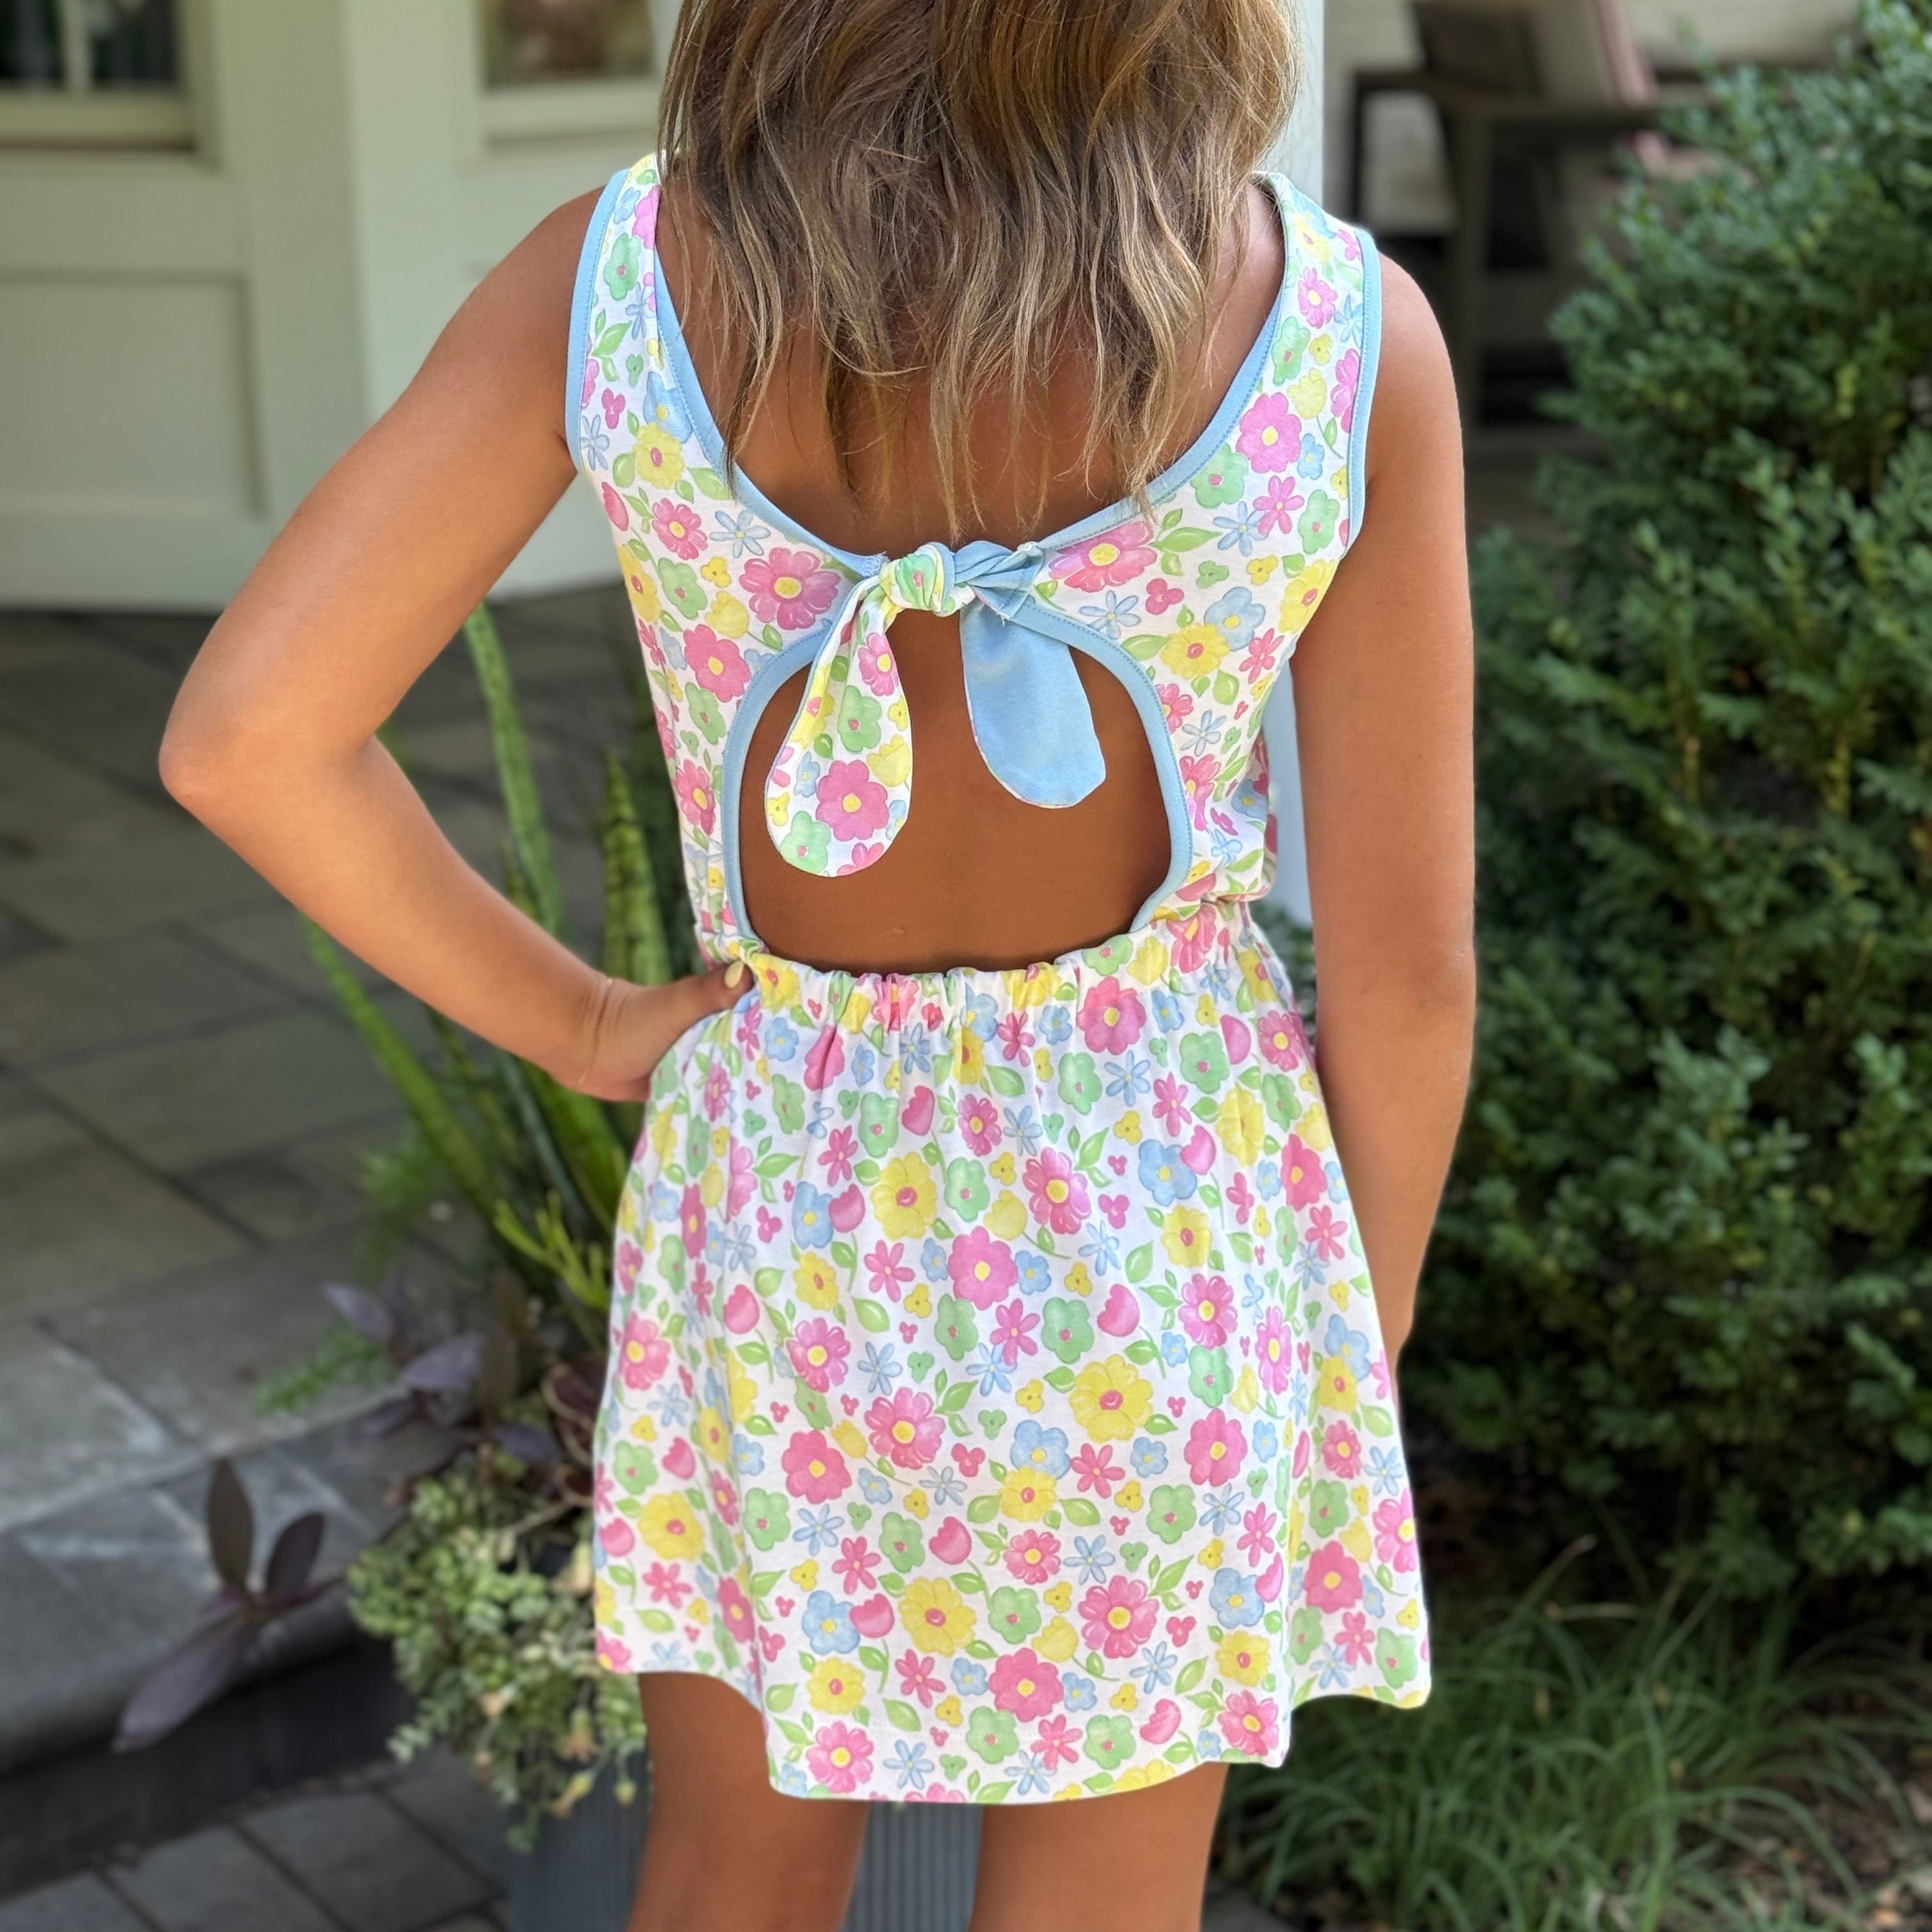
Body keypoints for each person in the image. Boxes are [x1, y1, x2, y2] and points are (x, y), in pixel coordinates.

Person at [160, 0, 1475, 1923]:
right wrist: (1360, 1326)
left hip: (786, 1211)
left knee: (735, 1873)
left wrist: (586, 1024)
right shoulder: (1340, 334)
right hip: (1170, 1234)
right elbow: (1409, 972)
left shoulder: (631, 276)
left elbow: (244, 740)